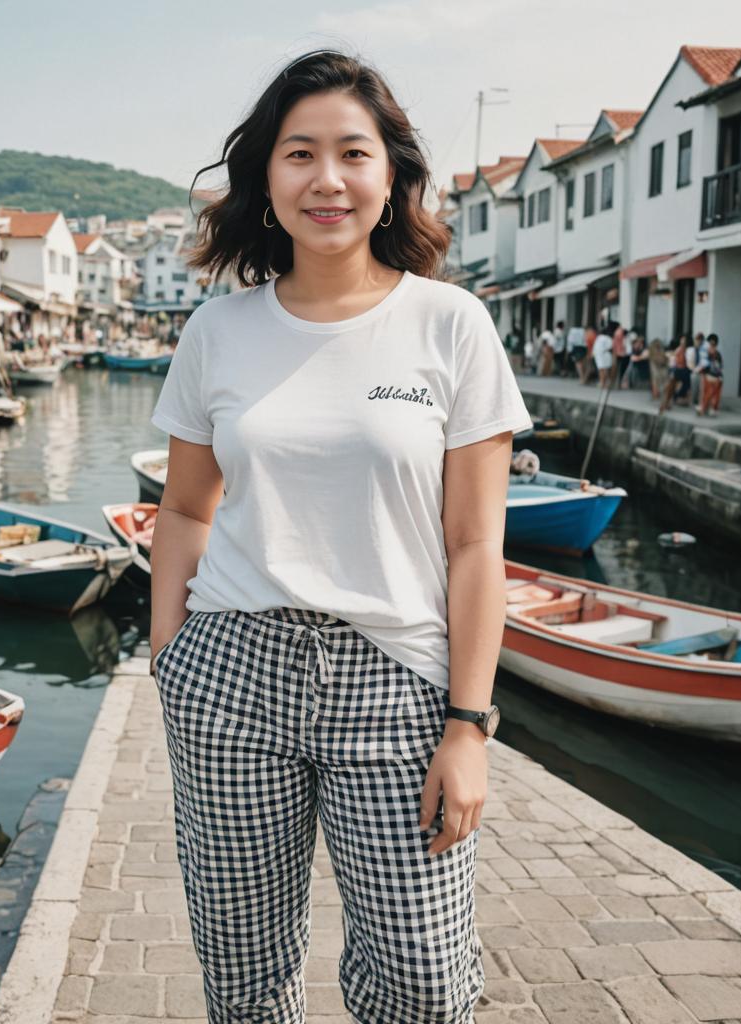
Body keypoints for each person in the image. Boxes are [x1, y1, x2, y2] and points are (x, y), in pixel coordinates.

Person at [147, 49, 533, 1023]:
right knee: (242, 974)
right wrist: (170, 658)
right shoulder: (217, 332)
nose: (327, 179)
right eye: (298, 153)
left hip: (397, 680)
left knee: (423, 978)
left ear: (392, 175)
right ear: (264, 181)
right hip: (232, 669)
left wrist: (470, 723)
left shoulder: (451, 326)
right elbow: (186, 510)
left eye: (352, 153)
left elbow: (474, 547)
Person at [696, 333, 723, 417]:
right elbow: (702, 365)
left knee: (716, 388)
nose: (712, 346)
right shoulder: (704, 353)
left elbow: (720, 367)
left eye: (713, 344)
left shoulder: (718, 354)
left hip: (716, 376)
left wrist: (719, 376)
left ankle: (713, 408)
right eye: (710, 344)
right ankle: (703, 407)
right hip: (706, 375)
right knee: (706, 389)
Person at [612, 323, 629, 388]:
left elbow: (615, 345)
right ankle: (618, 384)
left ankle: (616, 384)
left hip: (619, 353)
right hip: (622, 354)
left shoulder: (617, 333)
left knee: (617, 370)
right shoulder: (620, 333)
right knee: (620, 370)